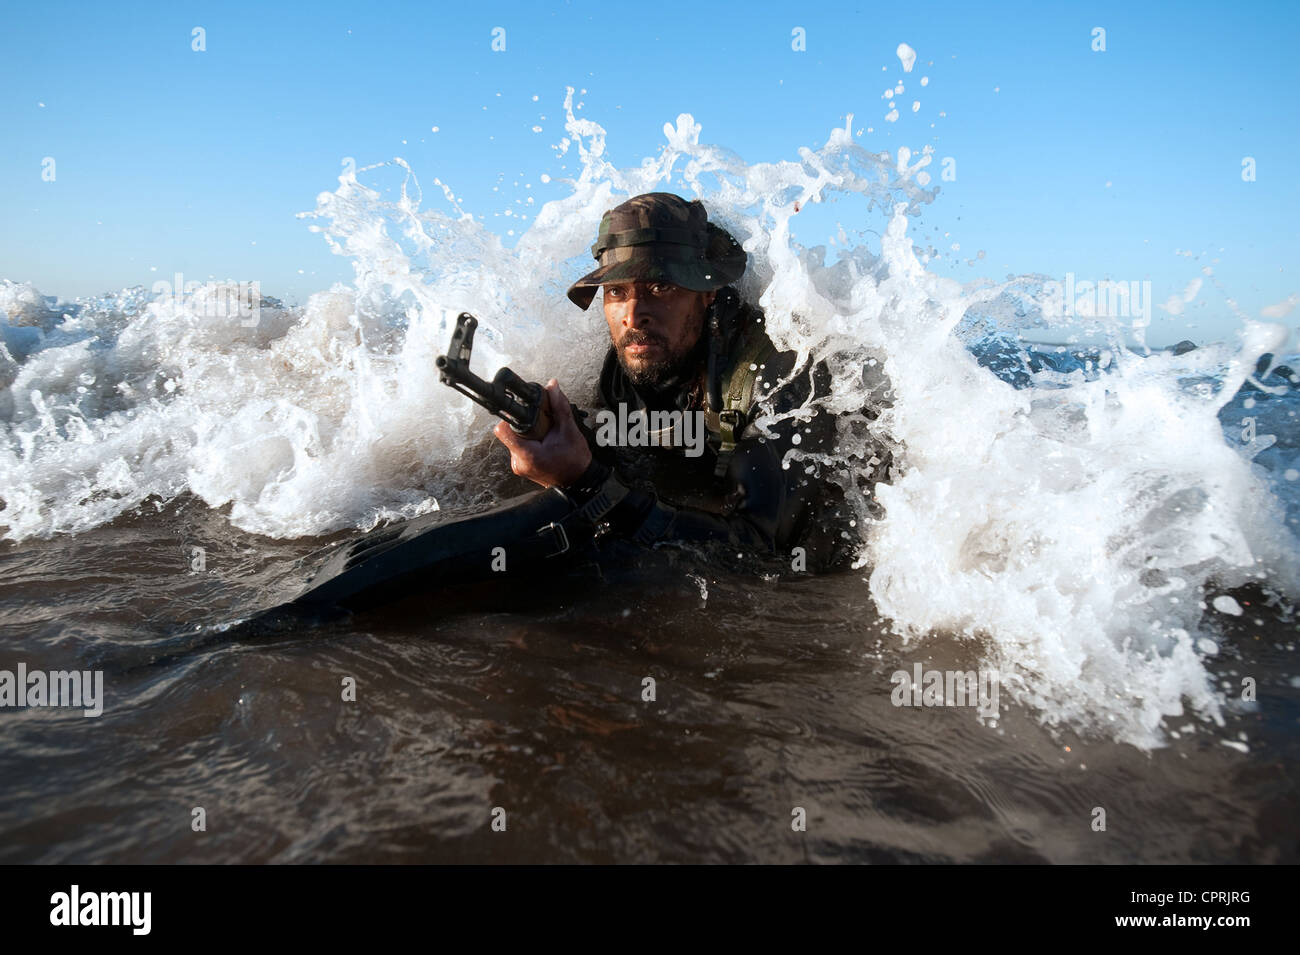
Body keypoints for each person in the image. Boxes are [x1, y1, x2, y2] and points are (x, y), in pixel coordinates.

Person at [491, 192, 860, 571]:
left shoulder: (777, 378)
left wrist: (588, 482)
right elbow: (636, 461)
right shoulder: (627, 366)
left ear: (707, 292)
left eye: (660, 287)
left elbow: (763, 551)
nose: (633, 317)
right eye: (617, 292)